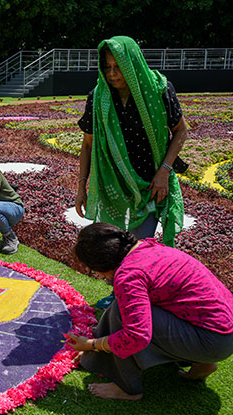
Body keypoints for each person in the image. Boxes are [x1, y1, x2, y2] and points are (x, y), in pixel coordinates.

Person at [66, 223, 233, 401]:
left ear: (101, 266)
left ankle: (127, 388)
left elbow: (136, 337)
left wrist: (91, 344)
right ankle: (201, 364)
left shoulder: (128, 276)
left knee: (121, 311)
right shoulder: (146, 247)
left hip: (213, 340)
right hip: (230, 326)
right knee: (134, 307)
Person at [75, 36, 188, 308]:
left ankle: (138, 298)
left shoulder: (159, 89)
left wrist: (164, 171)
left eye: (119, 67)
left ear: (133, 62)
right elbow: (88, 144)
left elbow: (181, 131)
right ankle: (123, 295)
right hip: (113, 185)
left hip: (152, 184)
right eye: (107, 67)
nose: (113, 74)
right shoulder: (99, 97)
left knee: (139, 248)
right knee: (114, 247)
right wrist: (82, 186)